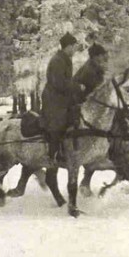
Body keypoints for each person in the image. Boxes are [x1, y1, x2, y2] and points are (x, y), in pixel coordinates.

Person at [41, 32, 85, 162]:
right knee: (59, 122)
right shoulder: (58, 61)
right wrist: (76, 87)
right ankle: (54, 154)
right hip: (53, 100)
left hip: (61, 98)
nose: (75, 49)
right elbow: (58, 83)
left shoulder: (64, 59)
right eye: (74, 46)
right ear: (68, 46)